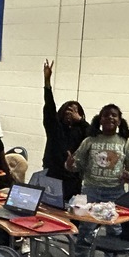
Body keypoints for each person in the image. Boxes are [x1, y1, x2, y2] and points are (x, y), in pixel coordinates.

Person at [65, 103, 129, 257]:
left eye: (114, 115)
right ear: (100, 119)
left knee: (114, 231)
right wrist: (69, 165)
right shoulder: (89, 141)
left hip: (115, 192)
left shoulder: (125, 143)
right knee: (85, 230)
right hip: (90, 190)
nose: (110, 118)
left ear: (119, 120)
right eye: (106, 115)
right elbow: (76, 165)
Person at [41, 59, 88, 200]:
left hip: (72, 176)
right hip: (53, 172)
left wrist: (80, 120)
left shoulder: (82, 129)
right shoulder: (55, 128)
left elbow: (95, 135)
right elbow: (49, 108)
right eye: (67, 110)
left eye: (74, 111)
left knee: (70, 206)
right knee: (50, 205)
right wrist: (47, 82)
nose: (70, 113)